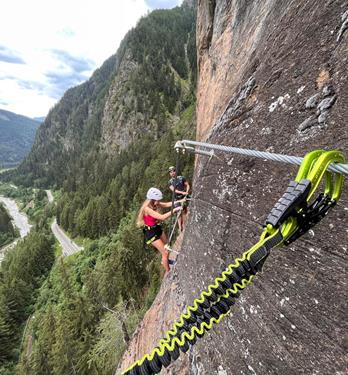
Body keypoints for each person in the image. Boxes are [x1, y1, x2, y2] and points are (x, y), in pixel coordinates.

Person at [136, 187, 182, 274]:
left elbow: (165, 204)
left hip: (156, 228)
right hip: (151, 233)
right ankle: (169, 272)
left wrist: (176, 202)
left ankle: (165, 261)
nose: (158, 202)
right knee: (165, 252)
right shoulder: (147, 209)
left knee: (167, 247)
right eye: (156, 200)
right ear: (151, 200)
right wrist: (174, 210)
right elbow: (162, 217)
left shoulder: (154, 203)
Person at [168, 166, 190, 231]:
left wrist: (187, 191)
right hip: (177, 199)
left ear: (176, 171)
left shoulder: (181, 178)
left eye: (173, 171)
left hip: (184, 196)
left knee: (184, 211)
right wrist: (183, 193)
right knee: (179, 212)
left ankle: (184, 224)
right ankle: (180, 227)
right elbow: (174, 190)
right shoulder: (170, 182)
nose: (172, 173)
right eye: (171, 172)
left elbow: (187, 185)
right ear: (170, 174)